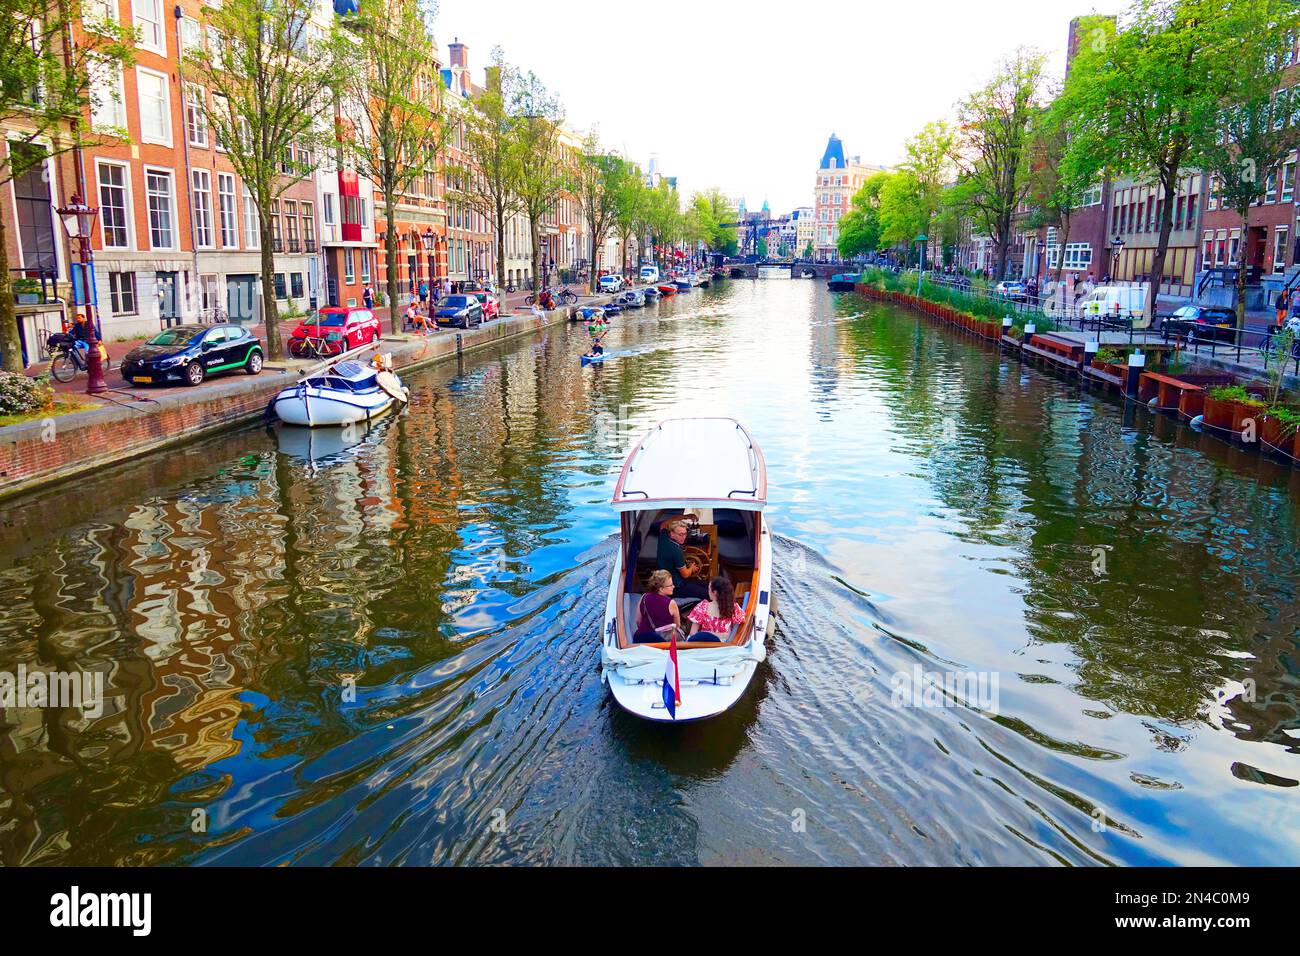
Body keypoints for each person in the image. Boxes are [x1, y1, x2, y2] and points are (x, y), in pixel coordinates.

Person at [656, 518, 708, 600]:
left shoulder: (663, 537)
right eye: (680, 534)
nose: (683, 537)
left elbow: (664, 523)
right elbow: (685, 574)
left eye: (685, 534)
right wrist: (692, 568)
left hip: (662, 580)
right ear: (672, 533)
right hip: (675, 587)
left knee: (708, 585)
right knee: (708, 593)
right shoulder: (676, 550)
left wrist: (686, 516)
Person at [685, 575, 746, 643]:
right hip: (723, 646)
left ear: (715, 592)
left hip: (703, 645)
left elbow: (692, 633)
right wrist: (724, 635)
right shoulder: (734, 607)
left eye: (709, 589)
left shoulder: (702, 607)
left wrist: (708, 634)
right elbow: (741, 624)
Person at [632, 570, 684, 644]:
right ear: (661, 589)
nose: (673, 586)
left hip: (640, 638)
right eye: (671, 585)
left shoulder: (644, 597)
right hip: (661, 643)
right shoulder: (671, 603)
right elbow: (677, 626)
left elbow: (638, 621)